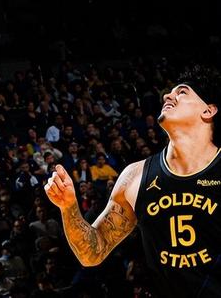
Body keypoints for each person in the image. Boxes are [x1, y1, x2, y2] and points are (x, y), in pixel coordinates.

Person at [45, 65, 221, 297]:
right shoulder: (135, 176)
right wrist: (69, 207)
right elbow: (92, 252)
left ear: (208, 110)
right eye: (169, 92)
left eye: (182, 92)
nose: (168, 96)